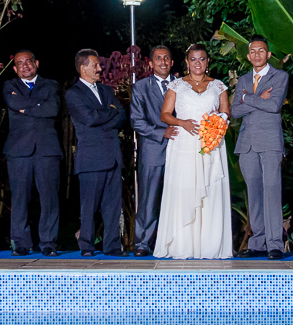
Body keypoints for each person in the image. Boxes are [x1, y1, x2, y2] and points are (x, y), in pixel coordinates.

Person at [154, 44, 233, 259]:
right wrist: (182, 123)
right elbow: (165, 115)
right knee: (185, 191)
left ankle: (209, 245)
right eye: (193, 59)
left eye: (202, 59)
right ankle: (183, 244)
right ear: (187, 62)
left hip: (211, 145)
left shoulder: (218, 86)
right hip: (184, 145)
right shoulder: (177, 85)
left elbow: (225, 112)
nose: (198, 63)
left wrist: (216, 124)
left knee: (210, 193)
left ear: (208, 62)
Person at [65, 49, 127, 256]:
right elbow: (89, 118)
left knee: (112, 206)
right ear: (83, 68)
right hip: (91, 159)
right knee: (89, 206)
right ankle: (86, 246)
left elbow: (122, 116)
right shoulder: (73, 93)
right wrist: (111, 112)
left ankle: (112, 246)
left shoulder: (107, 91)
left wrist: (109, 116)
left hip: (113, 156)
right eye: (96, 65)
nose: (100, 68)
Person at [231, 36, 288, 259]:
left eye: (261, 51)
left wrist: (248, 99)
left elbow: (274, 105)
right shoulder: (245, 79)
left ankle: (274, 244)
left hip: (270, 142)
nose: (256, 55)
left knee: (272, 191)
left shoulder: (280, 76)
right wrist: (255, 99)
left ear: (269, 54)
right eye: (252, 51)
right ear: (248, 56)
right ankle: (257, 243)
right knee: (253, 194)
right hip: (247, 143)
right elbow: (235, 111)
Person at [2, 49, 62, 257]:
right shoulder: (9, 86)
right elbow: (13, 103)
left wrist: (26, 109)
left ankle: (48, 243)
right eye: (20, 63)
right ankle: (20, 243)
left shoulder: (51, 85)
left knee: (49, 198)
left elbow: (52, 109)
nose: (25, 65)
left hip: (47, 149)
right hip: (19, 150)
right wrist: (37, 105)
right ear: (15, 68)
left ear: (36, 63)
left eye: (29, 61)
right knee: (19, 198)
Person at [129, 45, 178, 257]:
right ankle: (142, 242)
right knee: (149, 198)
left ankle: (176, 242)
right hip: (153, 149)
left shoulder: (183, 85)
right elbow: (136, 121)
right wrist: (162, 133)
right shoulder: (140, 87)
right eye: (158, 58)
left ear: (172, 62)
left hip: (180, 150)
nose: (163, 62)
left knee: (179, 196)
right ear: (151, 63)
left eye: (166, 58)